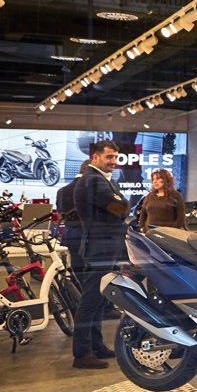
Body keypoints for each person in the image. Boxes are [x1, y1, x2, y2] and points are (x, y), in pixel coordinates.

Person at [71, 140, 128, 369]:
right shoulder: (94, 180)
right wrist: (121, 203)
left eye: (115, 157)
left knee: (97, 300)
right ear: (95, 157)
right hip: (99, 248)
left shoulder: (102, 180)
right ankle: (82, 353)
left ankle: (95, 346)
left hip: (103, 247)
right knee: (90, 301)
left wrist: (120, 203)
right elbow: (122, 208)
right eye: (109, 157)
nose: (113, 161)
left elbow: (119, 206)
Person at [56, 161, 92, 275]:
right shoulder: (93, 190)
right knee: (94, 274)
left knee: (77, 271)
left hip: (71, 234)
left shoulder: (62, 191)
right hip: (91, 236)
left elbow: (60, 213)